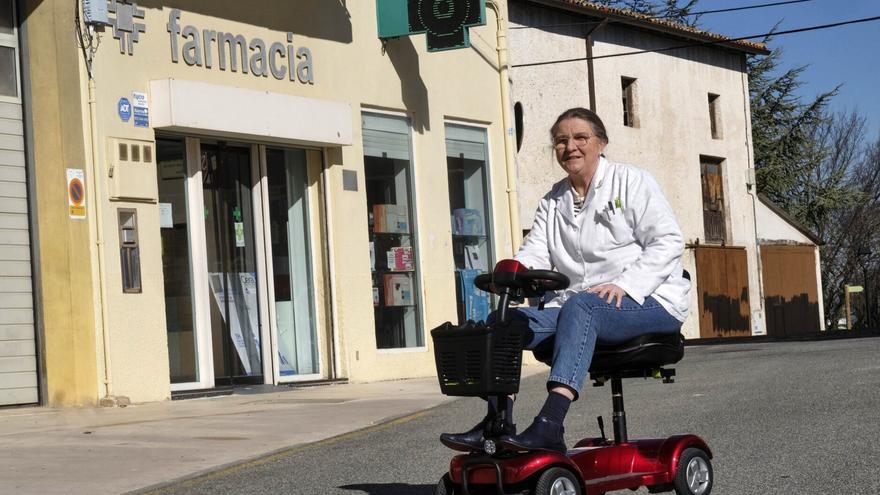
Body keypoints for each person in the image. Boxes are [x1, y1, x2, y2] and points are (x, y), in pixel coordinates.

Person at [440, 107, 691, 453]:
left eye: (580, 138)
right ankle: (497, 422)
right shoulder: (553, 201)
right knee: (506, 321)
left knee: (581, 306)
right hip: (582, 306)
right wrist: (512, 272)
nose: (570, 146)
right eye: (561, 141)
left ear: (600, 143)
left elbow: (668, 241)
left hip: (649, 300)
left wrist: (626, 285)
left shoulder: (632, 182)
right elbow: (536, 253)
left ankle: (550, 425)